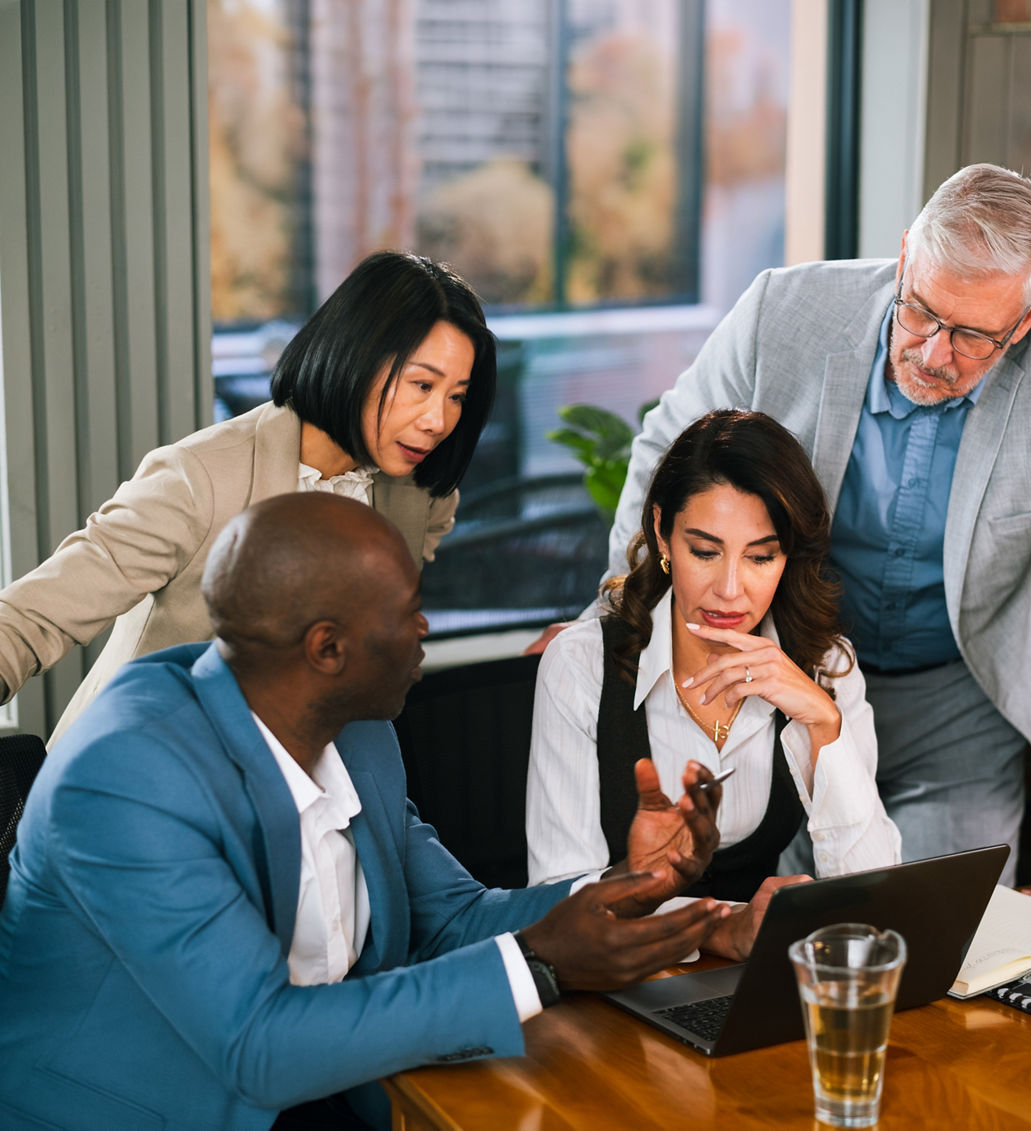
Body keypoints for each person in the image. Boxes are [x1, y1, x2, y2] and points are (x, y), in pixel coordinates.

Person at [534, 163, 1031, 912]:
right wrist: (619, 623)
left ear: (1025, 322)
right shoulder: (785, 308)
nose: (935, 353)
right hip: (804, 667)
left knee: (937, 928)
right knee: (791, 923)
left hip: (959, 702)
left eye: (972, 336)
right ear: (905, 259)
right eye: (922, 312)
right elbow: (664, 458)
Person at [0, 492, 730, 1131]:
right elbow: (259, 1045)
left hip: (332, 1094)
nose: (425, 629)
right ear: (328, 648)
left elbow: (450, 917)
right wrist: (539, 960)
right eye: (409, 610)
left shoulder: (358, 729)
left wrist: (631, 886)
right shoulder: (125, 774)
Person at [0, 250, 495, 744]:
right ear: (355, 357)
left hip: (306, 773)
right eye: (422, 385)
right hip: (150, 764)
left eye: (457, 396)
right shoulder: (201, 478)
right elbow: (33, 617)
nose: (439, 421)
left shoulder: (419, 493)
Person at [526, 411, 901, 959]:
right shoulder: (580, 665)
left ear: (787, 555)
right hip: (611, 983)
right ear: (662, 532)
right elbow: (555, 898)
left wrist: (823, 725)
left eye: (760, 556)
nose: (729, 590)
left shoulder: (825, 666)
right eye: (704, 551)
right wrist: (719, 928)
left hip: (751, 986)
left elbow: (873, 897)